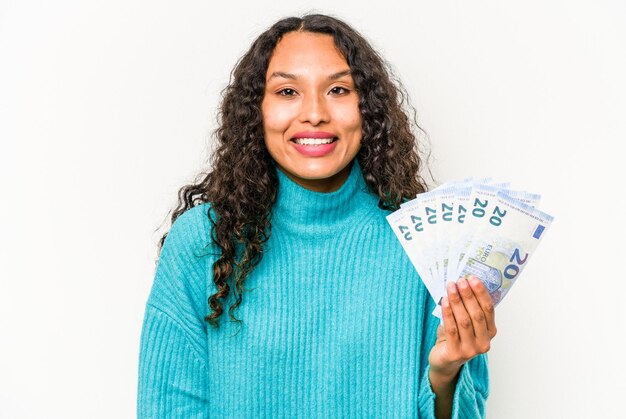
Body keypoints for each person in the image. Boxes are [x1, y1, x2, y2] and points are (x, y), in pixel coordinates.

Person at [137, 13, 496, 419]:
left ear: (368, 109)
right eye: (288, 91)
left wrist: (445, 374)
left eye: (339, 89)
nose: (314, 114)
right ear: (257, 111)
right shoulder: (203, 239)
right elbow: (168, 408)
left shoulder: (430, 240)